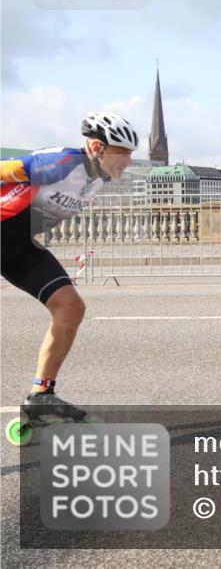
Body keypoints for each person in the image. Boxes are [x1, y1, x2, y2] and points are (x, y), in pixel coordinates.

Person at [2, 112, 138, 438]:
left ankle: (41, 395)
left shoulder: (99, 178)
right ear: (98, 147)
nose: (130, 161)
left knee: (71, 307)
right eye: (124, 152)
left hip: (18, 246)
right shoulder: (60, 162)